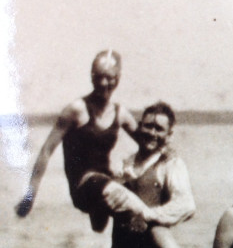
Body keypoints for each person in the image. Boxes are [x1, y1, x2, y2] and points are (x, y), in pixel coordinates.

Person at [14, 50, 147, 232]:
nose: (103, 83)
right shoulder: (76, 110)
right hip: (83, 186)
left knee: (140, 210)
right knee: (139, 211)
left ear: (119, 78)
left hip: (106, 182)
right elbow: (46, 151)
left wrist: (135, 166)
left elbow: (148, 143)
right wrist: (30, 196)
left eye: (109, 78)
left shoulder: (120, 113)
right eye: (98, 77)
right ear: (91, 76)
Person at [104, 102, 212, 248]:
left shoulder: (171, 164)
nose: (151, 133)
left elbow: (186, 206)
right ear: (139, 127)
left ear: (169, 135)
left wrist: (147, 214)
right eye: (147, 126)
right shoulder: (124, 165)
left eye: (158, 129)